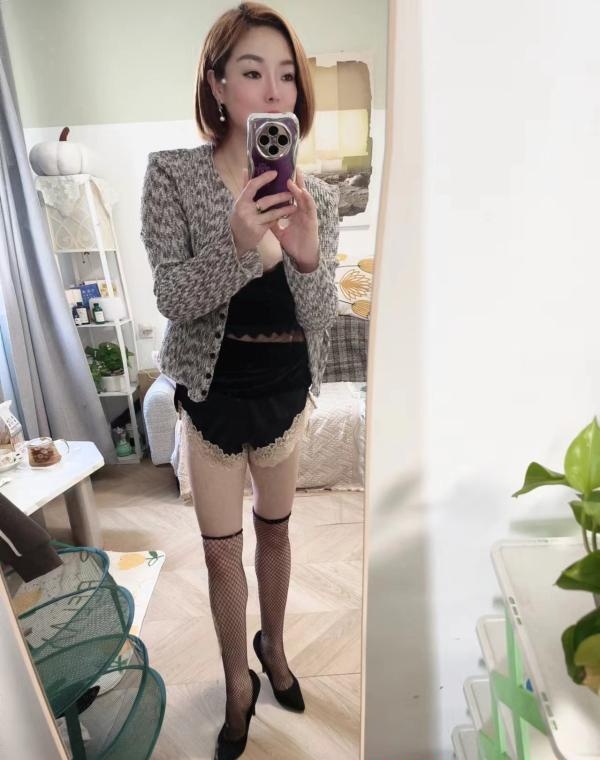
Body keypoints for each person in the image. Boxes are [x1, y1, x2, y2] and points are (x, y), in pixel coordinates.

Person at [140, 3, 339, 758]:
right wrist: (237, 243)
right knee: (222, 551)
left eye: (287, 76)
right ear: (218, 85)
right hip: (213, 394)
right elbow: (172, 297)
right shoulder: (173, 175)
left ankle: (274, 648)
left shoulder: (313, 191)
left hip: (285, 386)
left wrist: (308, 254)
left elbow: (319, 318)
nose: (273, 90)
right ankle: (235, 683)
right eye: (253, 72)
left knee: (277, 534)